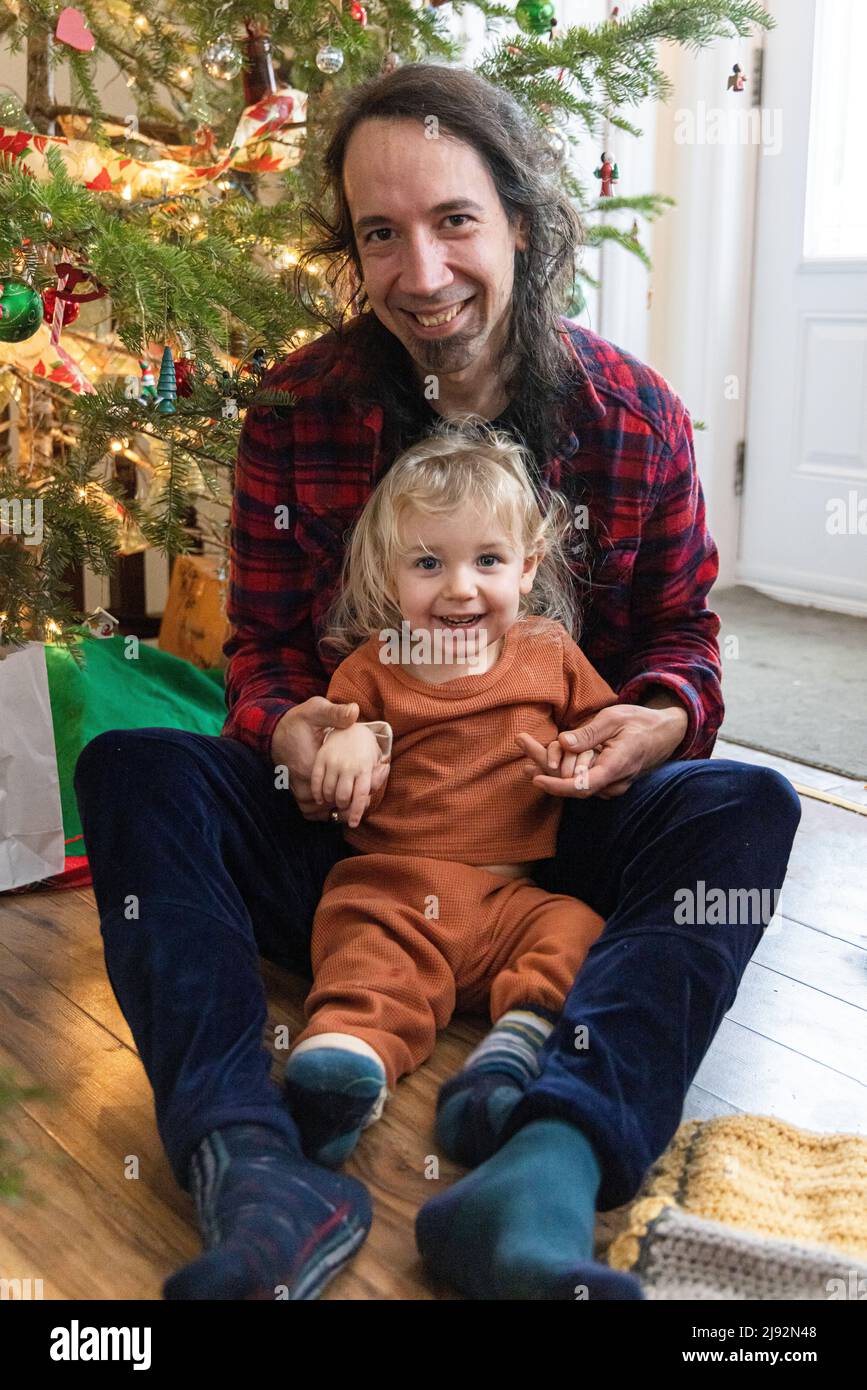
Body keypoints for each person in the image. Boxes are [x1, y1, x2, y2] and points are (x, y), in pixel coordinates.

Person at [73, 61, 801, 1301]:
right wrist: (302, 728)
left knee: (749, 808)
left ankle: (549, 1162)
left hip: (553, 836)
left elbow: (684, 632)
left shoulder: (636, 416)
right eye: (380, 233)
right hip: (352, 839)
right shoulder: (297, 409)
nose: (421, 274)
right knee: (134, 768)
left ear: (520, 218)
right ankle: (253, 1161)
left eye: (455, 220)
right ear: (349, 250)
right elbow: (262, 651)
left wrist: (654, 718)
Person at [283, 420, 619, 1178]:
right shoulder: (375, 667)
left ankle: (516, 1045)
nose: (460, 588)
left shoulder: (549, 655)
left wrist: (586, 754)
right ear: (389, 573)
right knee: (366, 962)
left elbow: (599, 735)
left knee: (579, 933)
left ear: (528, 568)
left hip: (513, 905)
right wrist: (351, 742)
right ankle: (348, 1061)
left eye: (488, 560)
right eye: (429, 563)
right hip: (397, 893)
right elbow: (346, 730)